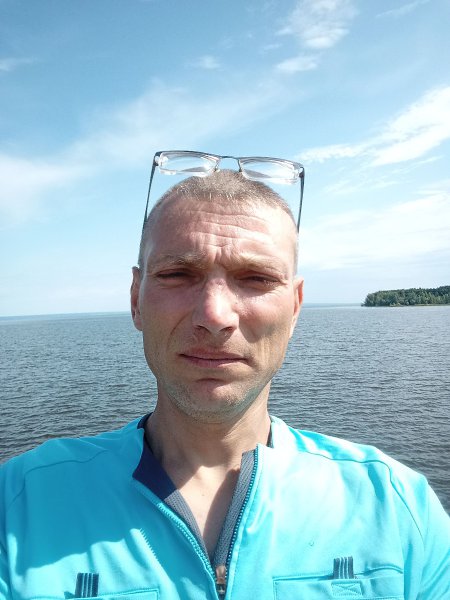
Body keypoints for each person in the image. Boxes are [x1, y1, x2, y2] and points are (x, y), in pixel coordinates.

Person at [1, 155, 449, 600]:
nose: (215, 316)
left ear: (295, 307)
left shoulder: (396, 508)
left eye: (256, 278)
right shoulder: (21, 504)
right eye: (178, 274)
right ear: (136, 300)